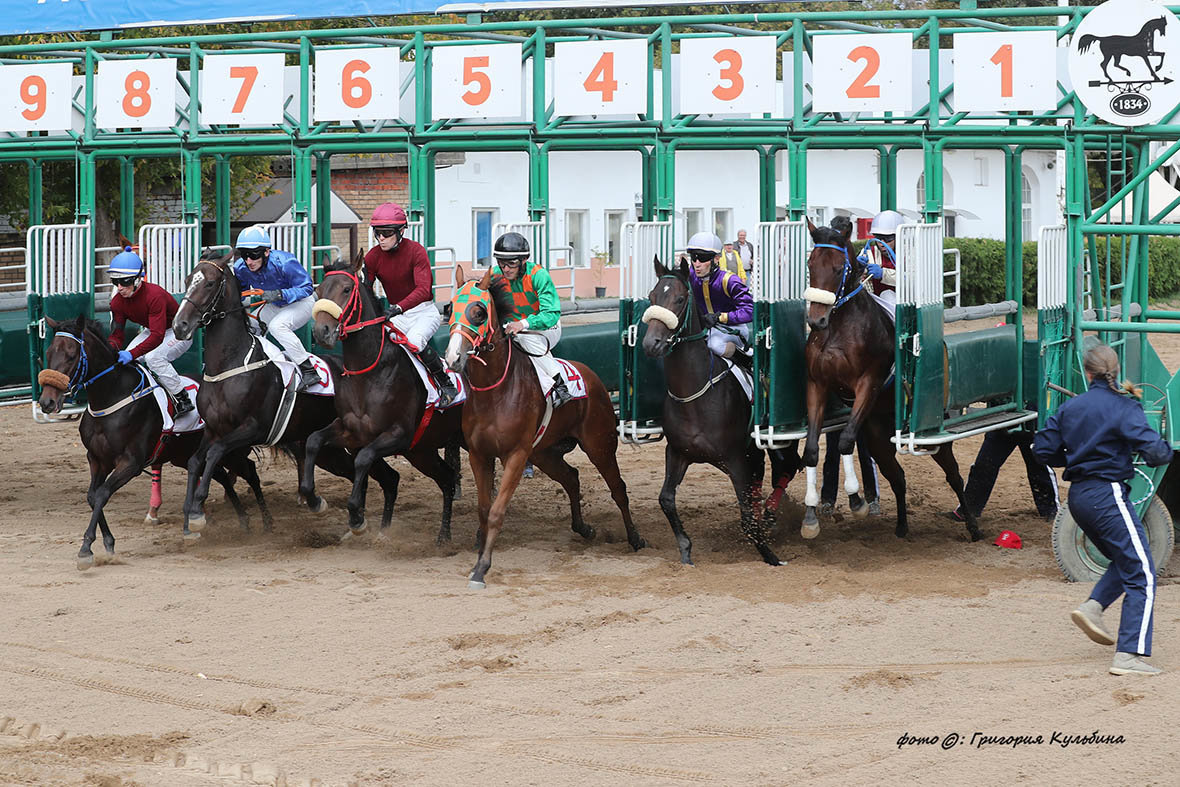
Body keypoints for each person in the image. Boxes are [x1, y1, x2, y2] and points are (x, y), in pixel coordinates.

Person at [1033, 343, 1173, 676]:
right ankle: (1129, 655)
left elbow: (1042, 450)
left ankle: (1094, 607)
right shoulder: (1125, 407)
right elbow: (1156, 453)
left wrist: (1076, 461)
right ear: (1115, 372)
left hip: (1079, 498)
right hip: (1107, 494)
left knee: (1128, 561)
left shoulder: (1070, 408)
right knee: (1143, 572)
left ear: (1088, 372)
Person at [363, 202, 457, 407]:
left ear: (401, 231)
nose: (381, 238)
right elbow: (366, 290)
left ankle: (446, 384)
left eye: (387, 233)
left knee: (414, 340)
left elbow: (424, 290)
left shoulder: (416, 251)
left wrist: (398, 307)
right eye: (377, 233)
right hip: (397, 316)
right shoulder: (372, 257)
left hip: (423, 312)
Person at [106, 247, 195, 416]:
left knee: (154, 358)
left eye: (125, 282)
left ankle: (182, 398)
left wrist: (131, 353)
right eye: (115, 282)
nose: (119, 287)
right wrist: (112, 349)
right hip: (153, 330)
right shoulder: (117, 302)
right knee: (130, 360)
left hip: (178, 332)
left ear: (138, 280)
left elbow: (157, 336)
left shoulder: (154, 296)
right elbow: (117, 335)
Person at [232, 226, 320, 389]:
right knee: (250, 324)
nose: (248, 261)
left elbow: (307, 288)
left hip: (302, 303)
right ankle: (253, 365)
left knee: (277, 326)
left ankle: (309, 371)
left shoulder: (285, 262)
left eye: (253, 255)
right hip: (275, 305)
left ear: (266, 252)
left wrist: (280, 294)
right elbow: (242, 293)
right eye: (244, 255)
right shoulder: (240, 267)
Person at [491, 231, 572, 407]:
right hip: (511, 326)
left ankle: (559, 385)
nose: (505, 269)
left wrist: (523, 324)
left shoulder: (538, 275)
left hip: (545, 327)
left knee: (524, 336)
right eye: (501, 263)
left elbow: (550, 315)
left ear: (523, 261)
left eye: (511, 264)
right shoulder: (494, 275)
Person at [948, 429, 1059, 522]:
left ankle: (1052, 510)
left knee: (1039, 466)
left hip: (1032, 417)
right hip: (1006, 420)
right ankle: (968, 510)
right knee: (984, 464)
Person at [685, 231, 753, 362]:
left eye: (703, 258)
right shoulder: (691, 276)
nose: (697, 263)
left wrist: (720, 317)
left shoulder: (730, 280)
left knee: (714, 345)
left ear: (716, 258)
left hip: (733, 329)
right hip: (705, 328)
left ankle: (746, 361)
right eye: (694, 257)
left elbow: (750, 311)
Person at [858, 209, 904, 310]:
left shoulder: (909, 254)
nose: (882, 243)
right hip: (874, 303)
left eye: (887, 239)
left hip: (903, 302)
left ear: (899, 236)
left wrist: (883, 274)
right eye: (879, 238)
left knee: (887, 294)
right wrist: (857, 269)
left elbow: (910, 279)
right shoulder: (868, 252)